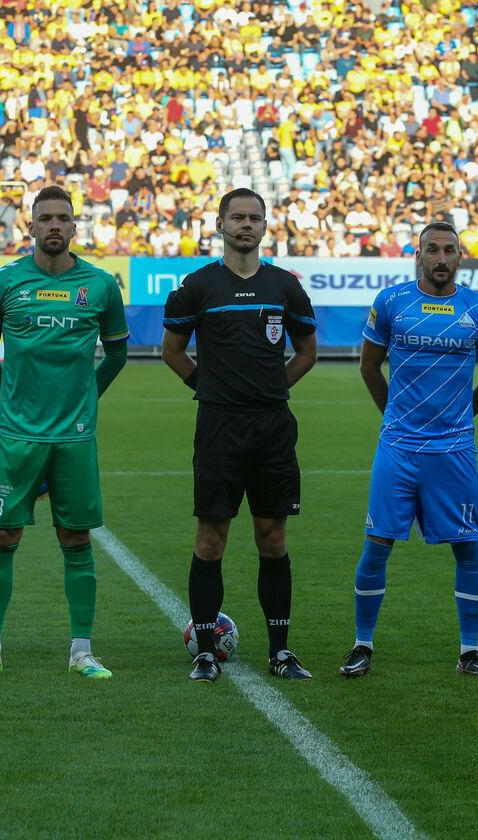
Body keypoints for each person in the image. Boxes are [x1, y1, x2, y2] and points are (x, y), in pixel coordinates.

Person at [0, 185, 129, 680]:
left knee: (75, 538)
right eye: (45, 218)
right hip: (18, 435)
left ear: (75, 227)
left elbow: (117, 353)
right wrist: (7, 398)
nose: (54, 225)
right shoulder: (4, 282)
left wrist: (86, 400)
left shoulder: (100, 286)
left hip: (74, 439)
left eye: (63, 218)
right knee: (2, 533)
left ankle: (82, 650)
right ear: (30, 227)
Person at [161, 188, 318, 683]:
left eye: (254, 218)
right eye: (237, 217)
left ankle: (281, 652)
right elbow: (172, 351)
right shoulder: (197, 287)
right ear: (220, 224)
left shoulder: (285, 286)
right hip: (219, 427)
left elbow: (308, 350)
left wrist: (272, 389)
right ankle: (205, 653)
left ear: (265, 226)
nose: (246, 225)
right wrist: (209, 389)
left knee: (273, 538)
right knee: (211, 539)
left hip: (272, 428)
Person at [339, 222, 478, 680]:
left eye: (449, 250)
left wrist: (459, 417)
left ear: (459, 256)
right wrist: (391, 414)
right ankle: (362, 646)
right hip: (398, 448)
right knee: (376, 546)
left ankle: (469, 652)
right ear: (418, 254)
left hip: (453, 451)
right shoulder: (391, 303)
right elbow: (370, 367)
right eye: (432, 249)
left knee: (468, 549)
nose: (440, 258)